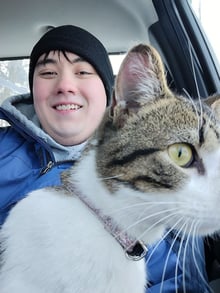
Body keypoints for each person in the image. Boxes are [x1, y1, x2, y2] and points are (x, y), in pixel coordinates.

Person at [0, 24, 216, 292]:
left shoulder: (168, 208)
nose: (65, 85)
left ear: (111, 95)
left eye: (82, 72)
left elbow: (180, 283)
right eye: (47, 72)